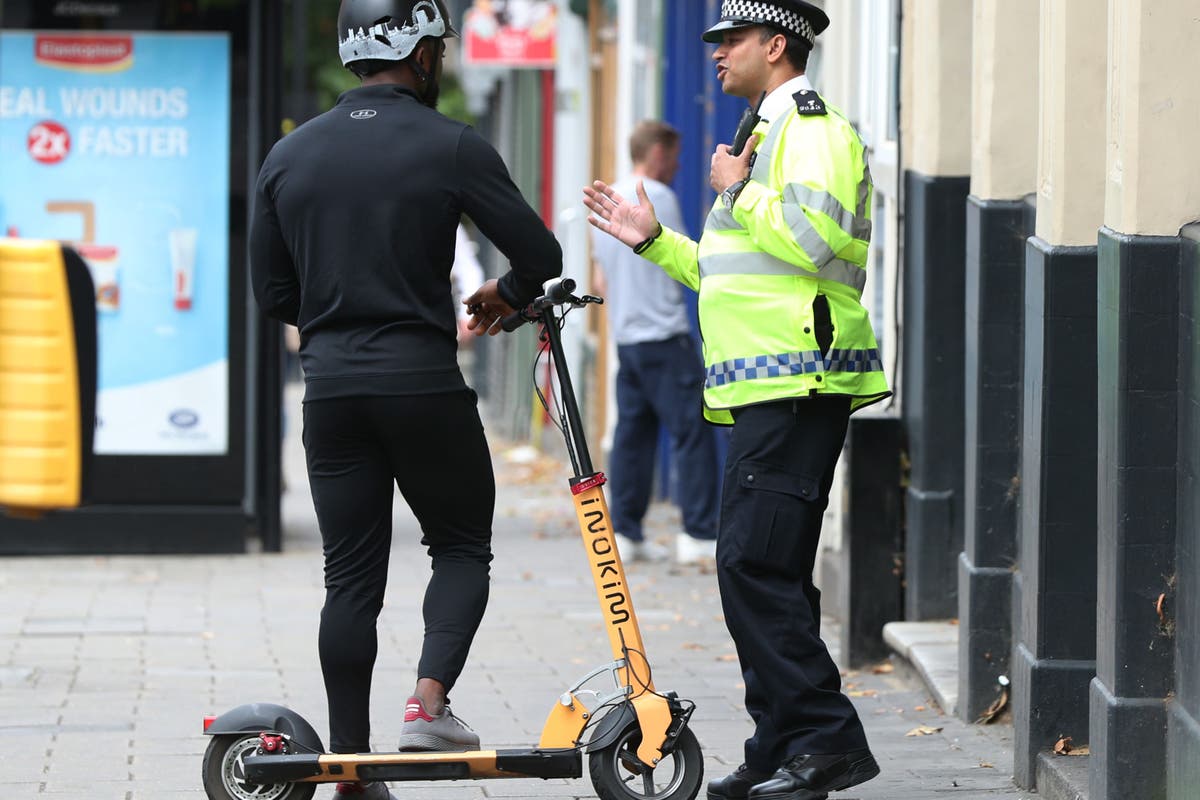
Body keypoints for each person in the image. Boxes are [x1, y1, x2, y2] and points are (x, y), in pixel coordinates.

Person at [250, 1, 561, 797]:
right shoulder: (449, 144)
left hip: (333, 391)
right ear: (419, 53)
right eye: (440, 48)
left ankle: (352, 767)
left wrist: (335, 323)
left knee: (348, 578)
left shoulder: (290, 155)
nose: (444, 61)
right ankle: (426, 705)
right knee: (460, 544)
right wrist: (505, 294)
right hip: (422, 381)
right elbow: (540, 253)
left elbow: (273, 291)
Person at [583, 2, 889, 799]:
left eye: (731, 41)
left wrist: (736, 190)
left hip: (800, 382)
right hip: (767, 388)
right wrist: (653, 241)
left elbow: (814, 242)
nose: (715, 53)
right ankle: (782, 744)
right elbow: (734, 272)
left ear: (775, 45)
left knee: (753, 566)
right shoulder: (761, 135)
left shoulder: (811, 128)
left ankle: (825, 742)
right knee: (764, 569)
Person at [590, 120, 720, 565]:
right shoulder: (656, 197)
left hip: (627, 337)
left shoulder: (608, 199)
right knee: (693, 433)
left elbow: (599, 278)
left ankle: (626, 533)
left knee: (633, 435)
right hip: (665, 334)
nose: (679, 164)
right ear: (659, 152)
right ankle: (698, 535)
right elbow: (684, 257)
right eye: (676, 155)